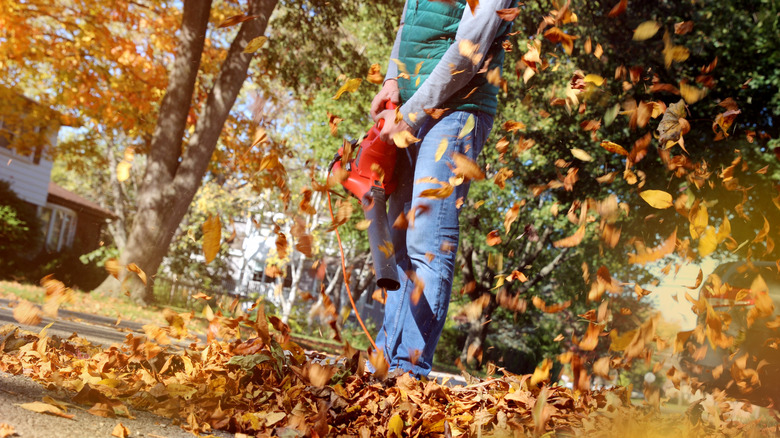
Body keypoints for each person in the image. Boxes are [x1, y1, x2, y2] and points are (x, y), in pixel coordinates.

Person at [370, 0, 516, 377]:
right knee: (399, 236)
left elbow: (469, 51)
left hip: (458, 108)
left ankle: (409, 373)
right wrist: (392, 82)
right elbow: (410, 20)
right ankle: (385, 366)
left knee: (427, 241)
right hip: (416, 106)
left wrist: (409, 115)